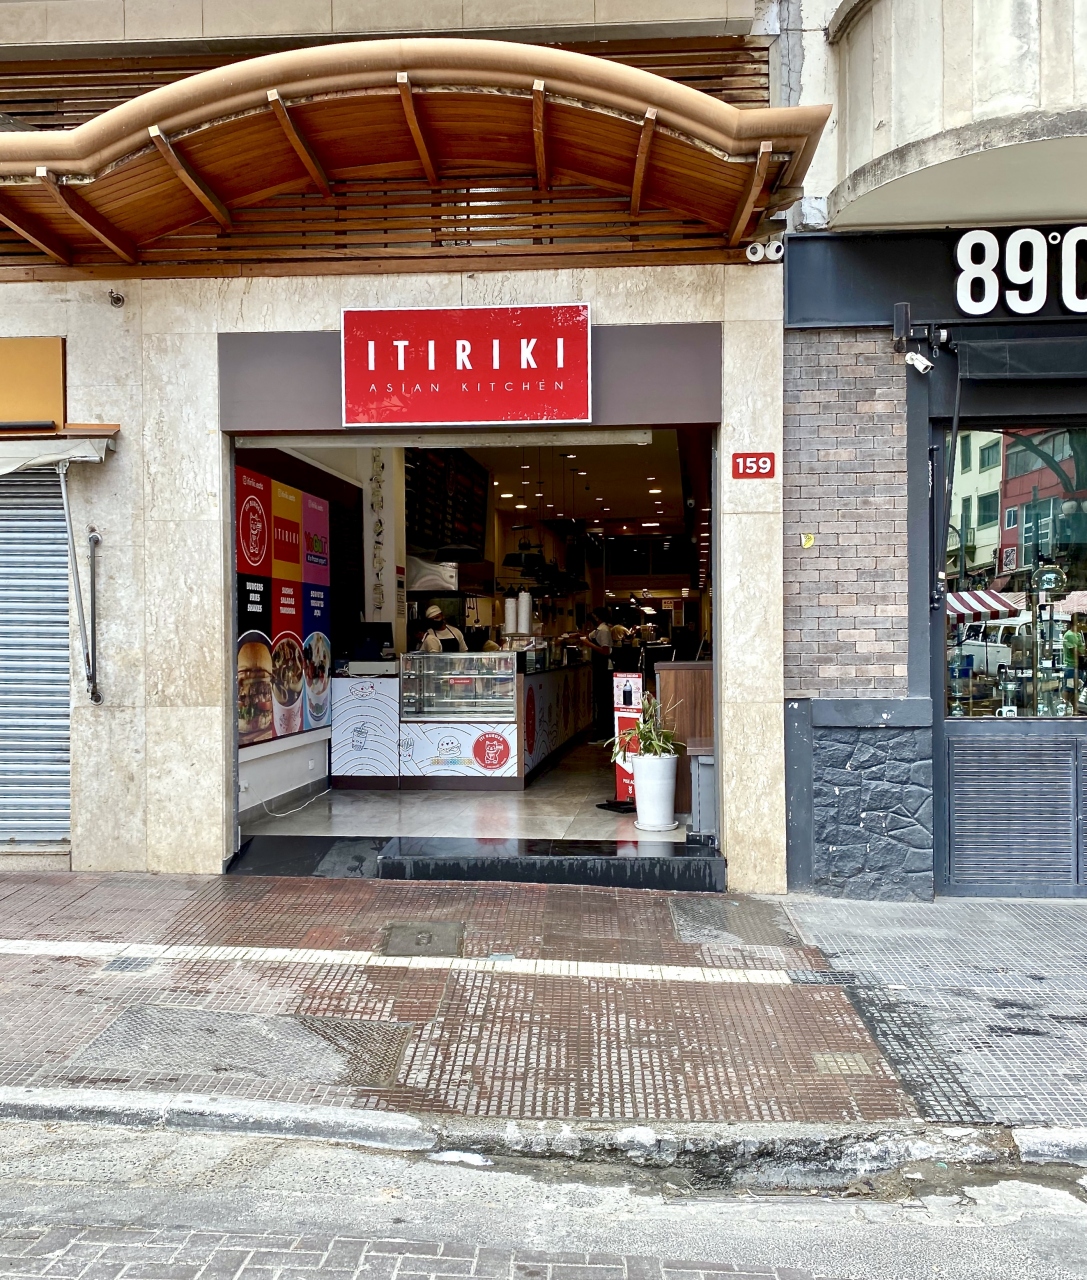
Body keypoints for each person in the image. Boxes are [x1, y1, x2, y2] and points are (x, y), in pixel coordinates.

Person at [579, 610, 614, 741]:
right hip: (599, 667)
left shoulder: (604, 630)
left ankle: (605, 733)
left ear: (598, 617)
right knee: (600, 700)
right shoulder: (598, 630)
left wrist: (589, 645)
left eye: (594, 616)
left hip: (604, 667)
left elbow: (605, 650)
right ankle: (602, 731)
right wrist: (576, 635)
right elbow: (587, 636)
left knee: (604, 700)